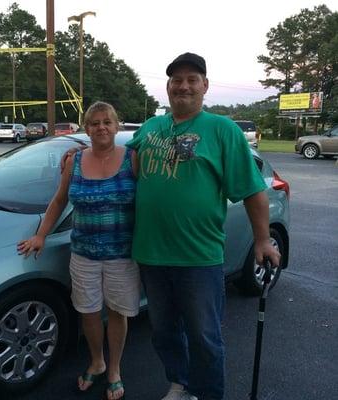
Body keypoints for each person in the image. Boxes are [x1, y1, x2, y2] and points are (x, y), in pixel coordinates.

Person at [125, 53, 281, 400]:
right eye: (176, 80)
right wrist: (80, 156)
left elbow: (253, 191)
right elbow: (126, 160)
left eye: (191, 79)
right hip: (151, 254)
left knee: (204, 337)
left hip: (198, 258)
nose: (183, 86)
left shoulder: (222, 130)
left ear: (205, 86)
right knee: (163, 333)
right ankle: (180, 384)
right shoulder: (151, 128)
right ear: (167, 87)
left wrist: (262, 240)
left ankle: (209, 394)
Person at [18, 101, 140, 400]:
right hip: (83, 253)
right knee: (88, 313)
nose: (101, 127)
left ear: (117, 125)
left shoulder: (133, 158)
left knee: (116, 313)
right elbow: (59, 201)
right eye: (95, 123)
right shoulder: (74, 161)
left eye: (107, 122)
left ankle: (114, 369)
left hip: (121, 254)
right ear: (86, 128)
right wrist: (40, 236)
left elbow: (155, 196)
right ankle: (96, 362)